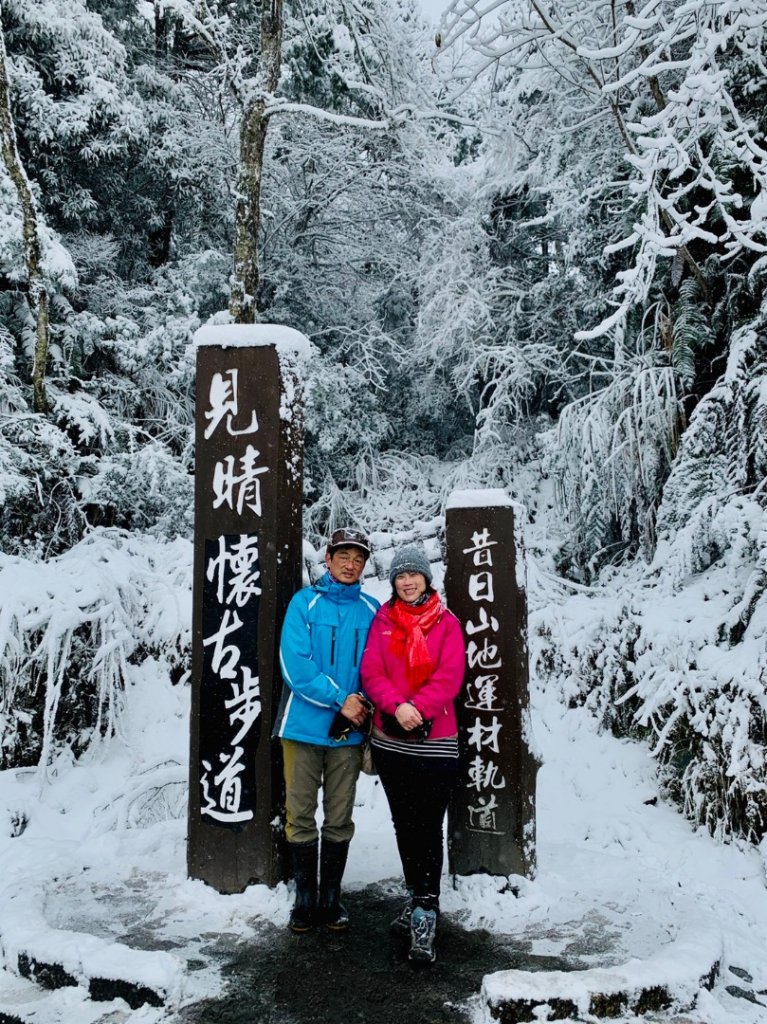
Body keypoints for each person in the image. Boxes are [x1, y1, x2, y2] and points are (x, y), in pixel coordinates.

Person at [360, 544, 465, 964]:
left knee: (427, 824)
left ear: (426, 578)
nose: (406, 581)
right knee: (404, 822)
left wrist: (417, 709)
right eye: (400, 576)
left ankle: (426, 907)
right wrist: (397, 707)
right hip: (390, 740)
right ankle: (414, 894)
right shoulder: (382, 620)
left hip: (436, 740)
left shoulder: (447, 623)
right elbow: (371, 671)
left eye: (413, 575)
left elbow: (450, 675)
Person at [274, 526, 379, 933]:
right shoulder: (304, 603)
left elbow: (378, 666)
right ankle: (304, 897)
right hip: (301, 727)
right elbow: (295, 665)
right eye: (343, 557)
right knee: (299, 813)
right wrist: (341, 698)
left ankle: (331, 896)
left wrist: (363, 702)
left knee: (339, 815)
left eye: (358, 559)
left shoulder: (372, 610)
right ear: (329, 559)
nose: (350, 565)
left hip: (347, 732)